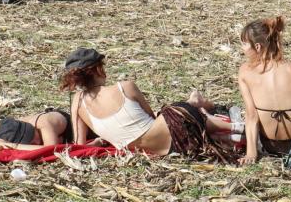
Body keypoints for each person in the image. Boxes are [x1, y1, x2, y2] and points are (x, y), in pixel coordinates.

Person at [63, 48, 238, 162]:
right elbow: (151, 118)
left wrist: (102, 140)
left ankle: (229, 130)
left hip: (158, 151)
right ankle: (234, 125)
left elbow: (80, 145)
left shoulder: (78, 103)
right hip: (176, 134)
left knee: (185, 111)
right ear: (98, 70)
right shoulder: (124, 87)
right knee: (178, 110)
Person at [236, 16, 291, 164]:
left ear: (257, 47)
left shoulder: (245, 72)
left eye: (244, 44)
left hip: (270, 145)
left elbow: (251, 116)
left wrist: (251, 153)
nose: (242, 49)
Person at [0, 108, 72, 149]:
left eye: (32, 135)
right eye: (30, 143)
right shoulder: (16, 124)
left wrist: (12, 146)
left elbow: (51, 150)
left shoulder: (43, 123)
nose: (36, 142)